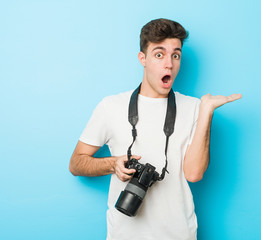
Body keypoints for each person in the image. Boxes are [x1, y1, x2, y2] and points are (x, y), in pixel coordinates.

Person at [69, 18, 241, 240]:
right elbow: (76, 164)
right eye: (159, 54)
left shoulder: (194, 107)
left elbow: (194, 173)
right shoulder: (111, 106)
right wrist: (113, 164)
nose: (169, 64)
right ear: (143, 59)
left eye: (175, 55)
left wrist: (206, 111)